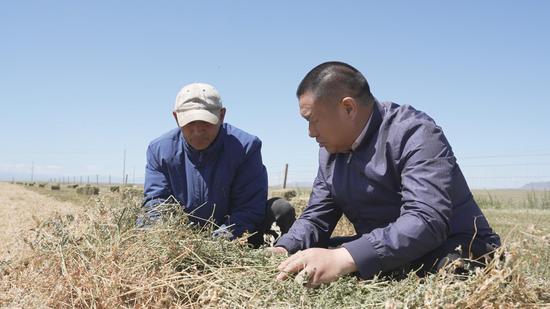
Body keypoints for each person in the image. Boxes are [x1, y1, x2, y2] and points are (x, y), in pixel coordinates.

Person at [272, 62, 501, 287]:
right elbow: (316, 217)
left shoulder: (414, 134)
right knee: (310, 257)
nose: (310, 133)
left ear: (348, 108)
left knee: (455, 271)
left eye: (313, 120)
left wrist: (343, 258)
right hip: (388, 253)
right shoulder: (330, 152)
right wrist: (285, 248)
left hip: (453, 248)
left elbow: (426, 220)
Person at [143, 82, 295, 247]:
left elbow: (249, 207)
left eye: (206, 123)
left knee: (280, 209)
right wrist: (172, 242)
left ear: (221, 116)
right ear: (176, 117)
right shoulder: (160, 150)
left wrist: (216, 243)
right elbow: (156, 204)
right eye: (189, 123)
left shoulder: (245, 147)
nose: (197, 131)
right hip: (182, 238)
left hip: (233, 236)